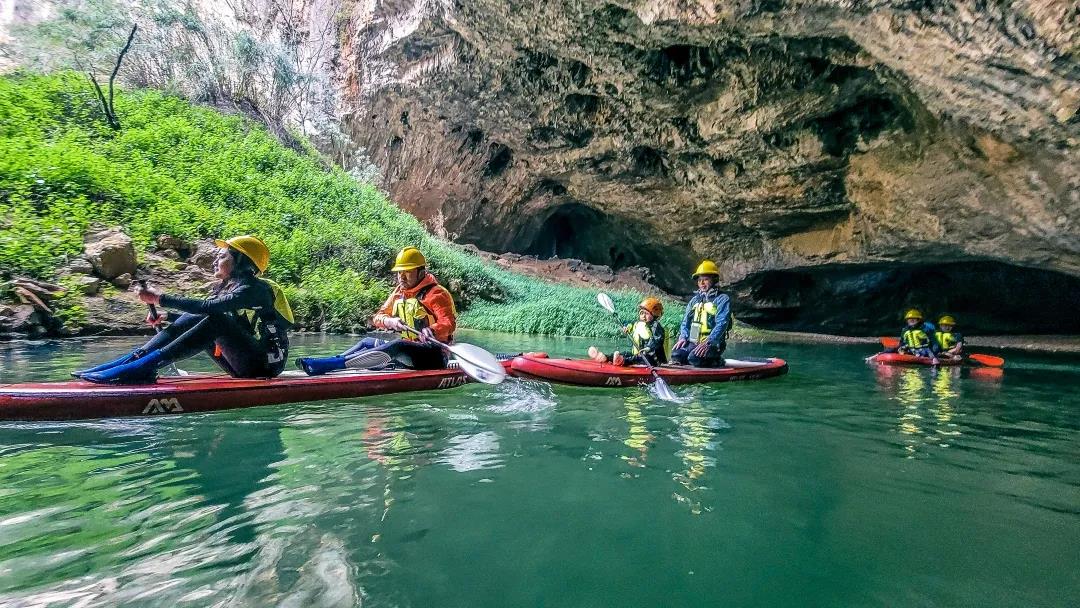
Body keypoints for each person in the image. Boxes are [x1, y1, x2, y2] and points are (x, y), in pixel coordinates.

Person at [76, 235, 294, 384]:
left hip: (265, 365)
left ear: (241, 261)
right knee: (207, 317)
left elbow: (209, 308)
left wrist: (160, 298)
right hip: (242, 363)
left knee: (216, 318)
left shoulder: (256, 290)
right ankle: (134, 361)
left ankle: (145, 366)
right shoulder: (228, 287)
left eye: (223, 256)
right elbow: (201, 313)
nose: (216, 260)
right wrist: (168, 316)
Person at [296, 246, 456, 374]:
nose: (402, 276)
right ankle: (329, 362)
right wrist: (390, 321)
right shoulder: (399, 292)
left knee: (398, 345)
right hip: (409, 353)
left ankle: (332, 366)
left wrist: (433, 330)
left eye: (407, 272)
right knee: (367, 342)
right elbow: (378, 317)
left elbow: (448, 323)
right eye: (400, 272)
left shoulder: (437, 293)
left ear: (421, 272)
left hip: (434, 355)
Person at [670, 260, 732, 368]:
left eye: (706, 279)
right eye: (699, 280)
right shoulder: (694, 300)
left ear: (714, 280)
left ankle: (717, 361)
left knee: (693, 358)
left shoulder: (722, 299)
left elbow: (722, 323)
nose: (702, 283)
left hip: (713, 344)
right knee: (676, 355)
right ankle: (690, 358)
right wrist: (683, 337)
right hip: (694, 342)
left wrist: (709, 342)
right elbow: (686, 322)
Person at [587, 297, 668, 366]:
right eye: (641, 313)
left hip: (652, 360)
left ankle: (622, 361)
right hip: (638, 355)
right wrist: (627, 328)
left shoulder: (655, 326)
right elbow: (630, 325)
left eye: (646, 314)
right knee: (625, 353)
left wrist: (648, 347)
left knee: (639, 358)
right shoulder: (637, 323)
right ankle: (605, 357)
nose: (643, 316)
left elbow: (657, 339)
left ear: (654, 314)